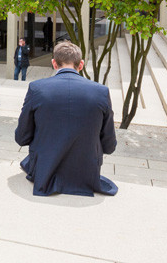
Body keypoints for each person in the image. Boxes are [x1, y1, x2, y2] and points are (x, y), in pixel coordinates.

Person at [15, 41, 117, 197]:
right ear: (81, 64)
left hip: (45, 170)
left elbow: (22, 137)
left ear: (54, 64)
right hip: (86, 172)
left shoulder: (37, 88)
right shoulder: (101, 91)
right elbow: (109, 145)